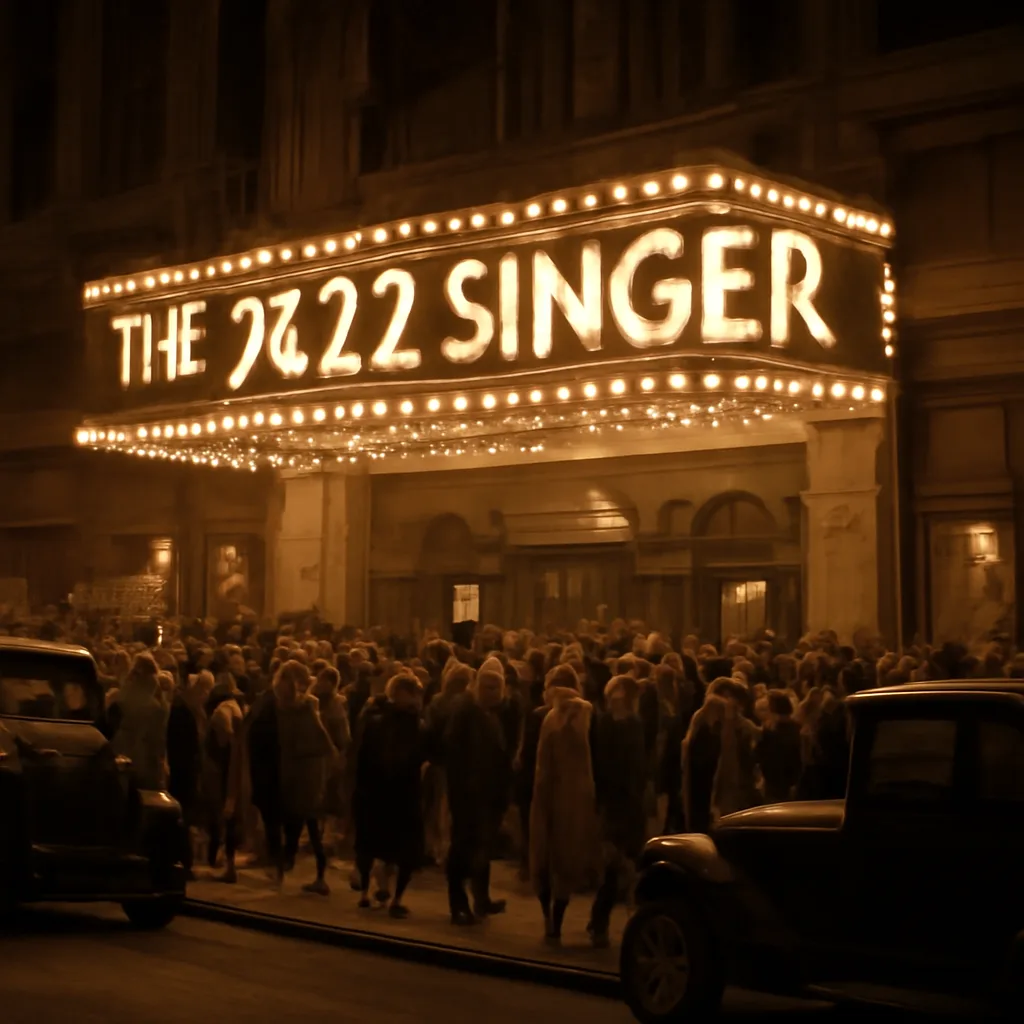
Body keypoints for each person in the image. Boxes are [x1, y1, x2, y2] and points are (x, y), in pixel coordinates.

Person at [529, 663, 598, 944]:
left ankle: (549, 917)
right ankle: (558, 920)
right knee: (567, 860)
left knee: (544, 857)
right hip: (578, 798)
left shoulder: (544, 718)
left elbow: (531, 762)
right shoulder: (590, 715)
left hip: (545, 793)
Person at [352, 673, 428, 917]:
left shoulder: (377, 720)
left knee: (375, 844)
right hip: (395, 793)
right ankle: (391, 897)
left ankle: (372, 892)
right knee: (397, 847)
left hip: (382, 793)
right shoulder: (409, 724)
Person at [444, 656, 512, 925]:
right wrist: (463, 790)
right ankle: (458, 902)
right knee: (463, 848)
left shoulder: (491, 715)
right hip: (469, 796)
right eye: (487, 688)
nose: (492, 693)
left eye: (496, 689)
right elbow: (455, 754)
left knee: (482, 849)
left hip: (487, 795)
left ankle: (481, 899)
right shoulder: (465, 713)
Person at [588, 674, 647, 948]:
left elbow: (639, 763)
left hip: (631, 801)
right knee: (614, 864)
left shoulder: (635, 724)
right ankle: (600, 920)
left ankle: (605, 919)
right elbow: (600, 763)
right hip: (613, 801)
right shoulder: (604, 723)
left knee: (629, 863)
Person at [274, 659, 338, 894]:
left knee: (301, 821)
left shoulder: (296, 707)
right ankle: (312, 871)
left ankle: (292, 863)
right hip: (308, 772)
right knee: (307, 823)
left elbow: (321, 740)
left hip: (301, 772)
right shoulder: (307, 706)